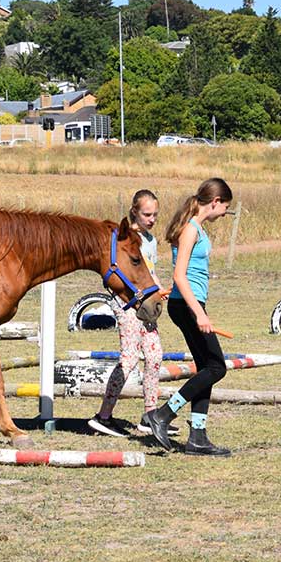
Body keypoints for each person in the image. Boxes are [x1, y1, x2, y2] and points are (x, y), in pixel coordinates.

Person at [144, 177, 234, 456]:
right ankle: (162, 415)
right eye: (225, 207)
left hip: (189, 304)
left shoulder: (195, 227)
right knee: (217, 367)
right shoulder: (191, 230)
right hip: (187, 306)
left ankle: (198, 437)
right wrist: (199, 314)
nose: (225, 214)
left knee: (207, 369)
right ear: (215, 202)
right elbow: (180, 275)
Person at [88, 190, 177, 438]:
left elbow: (149, 273)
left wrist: (158, 291)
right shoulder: (125, 239)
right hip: (127, 303)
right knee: (129, 358)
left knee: (155, 355)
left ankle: (150, 415)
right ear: (134, 212)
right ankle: (103, 416)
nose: (151, 219)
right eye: (147, 214)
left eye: (155, 215)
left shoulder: (151, 240)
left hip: (145, 302)